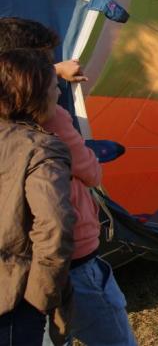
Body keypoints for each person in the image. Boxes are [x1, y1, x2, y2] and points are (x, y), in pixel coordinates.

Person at [0, 17, 136, 344]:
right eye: (46, 66)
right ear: (29, 74)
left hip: (15, 270)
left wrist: (57, 70)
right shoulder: (51, 126)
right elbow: (87, 178)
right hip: (74, 264)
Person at [0, 49, 75, 346]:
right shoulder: (41, 150)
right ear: (35, 97)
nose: (58, 90)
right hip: (13, 303)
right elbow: (55, 226)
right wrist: (36, 299)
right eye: (52, 86)